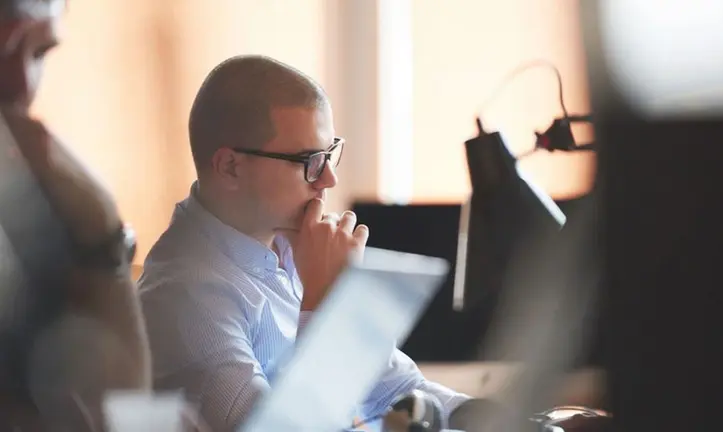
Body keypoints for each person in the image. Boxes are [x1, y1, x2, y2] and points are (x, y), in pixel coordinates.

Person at [138, 54, 472, 431]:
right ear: (230, 166)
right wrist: (326, 303)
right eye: (310, 160)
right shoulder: (185, 297)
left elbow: (396, 389)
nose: (328, 179)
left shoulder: (293, 247)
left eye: (330, 154)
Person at [0, 0, 151, 430]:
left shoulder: (28, 217)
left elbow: (117, 413)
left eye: (38, 52)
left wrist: (100, 231)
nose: (18, 85)